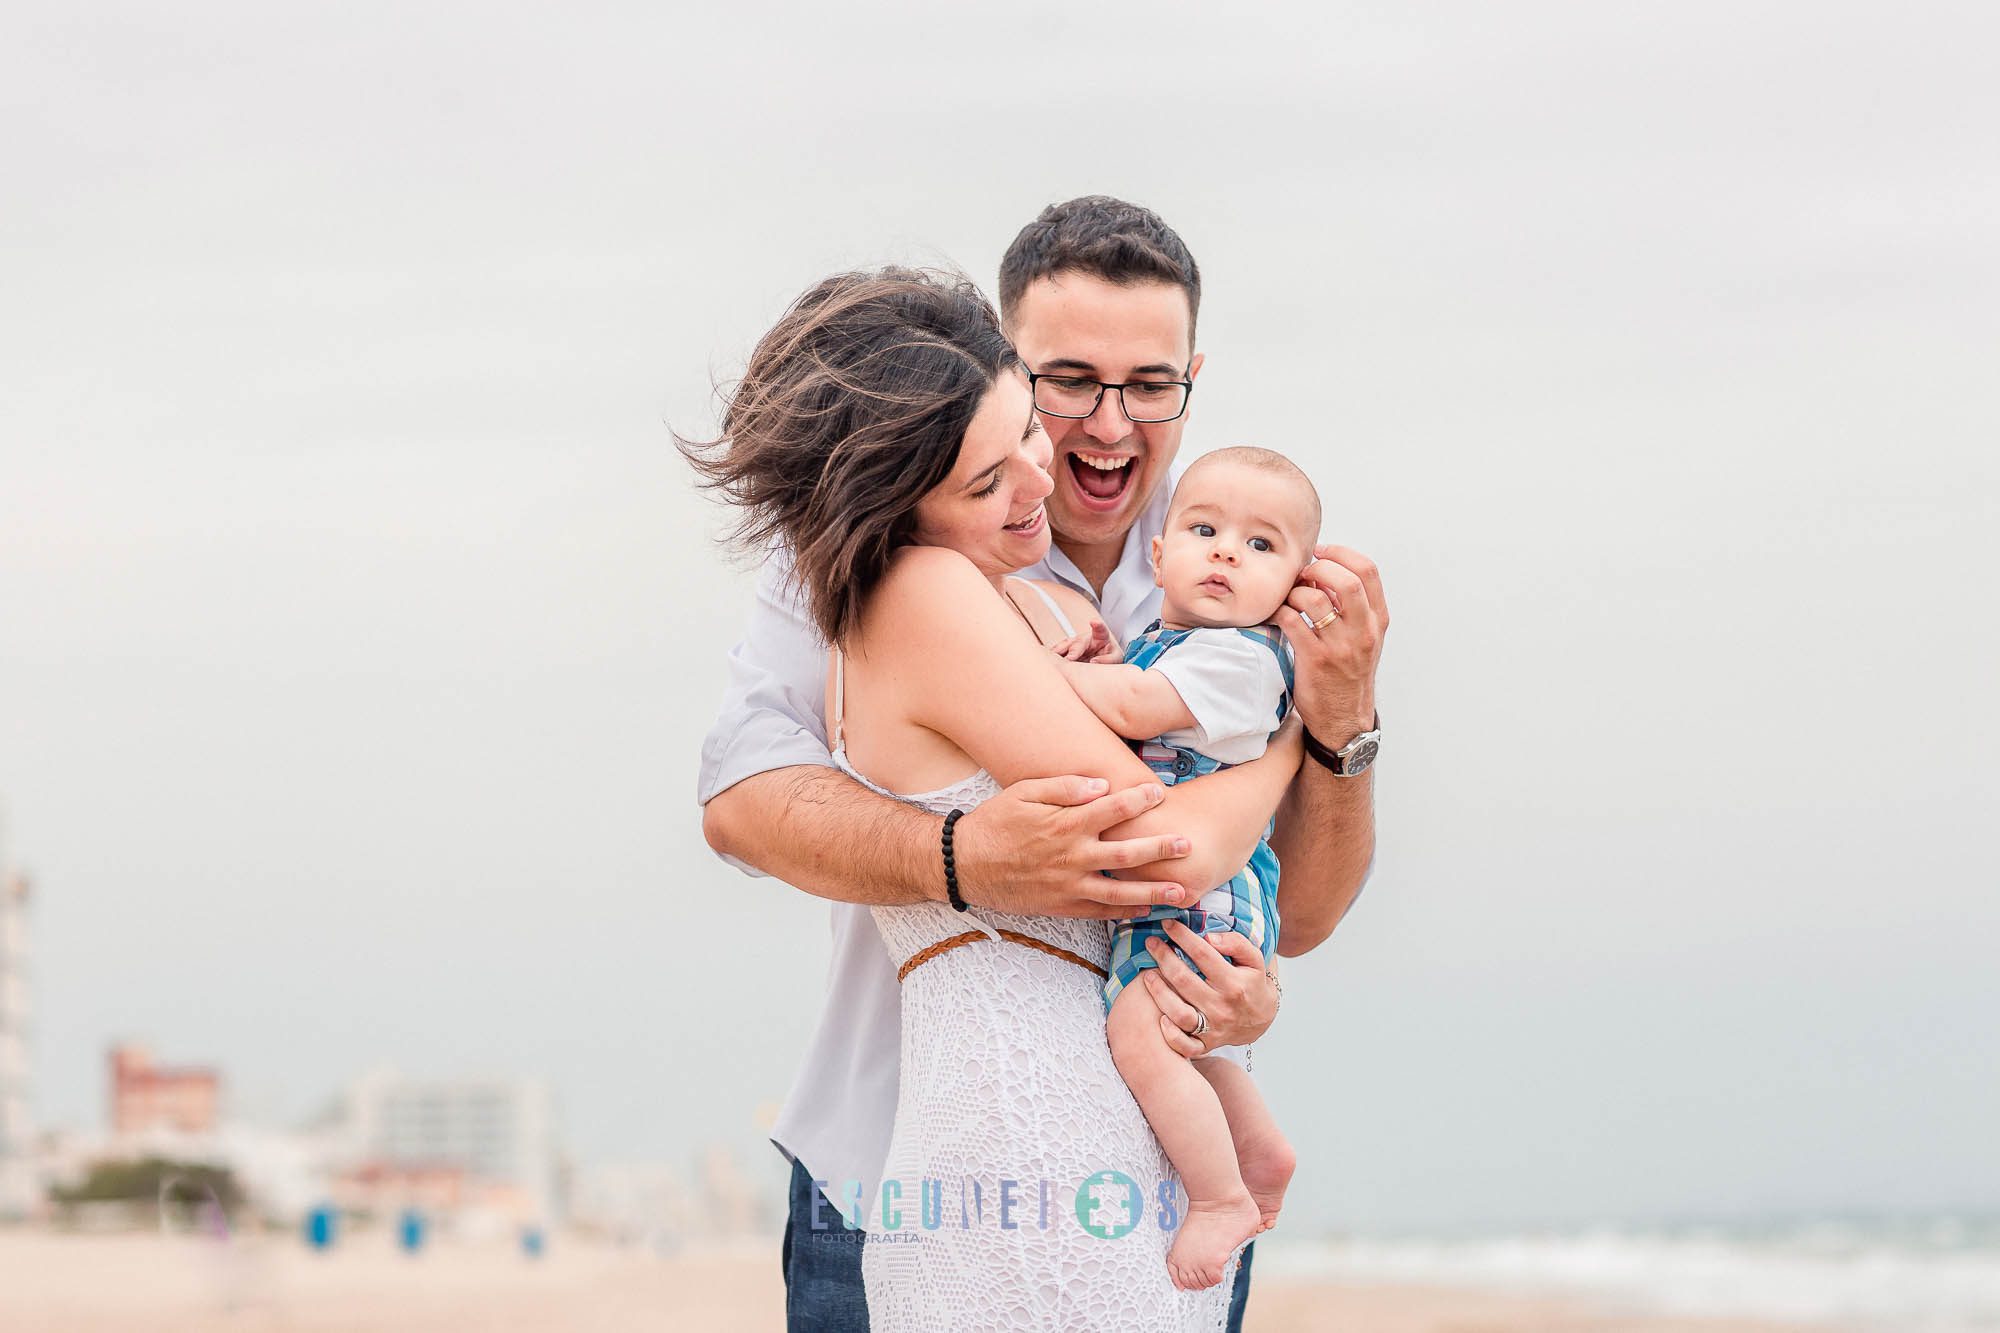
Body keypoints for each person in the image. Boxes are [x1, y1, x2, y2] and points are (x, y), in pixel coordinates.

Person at [696, 197, 1388, 1330]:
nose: (1104, 429)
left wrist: (1341, 728)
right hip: (893, 1146)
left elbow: (1295, 913)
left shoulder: (1236, 551)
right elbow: (738, 800)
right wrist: (958, 855)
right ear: (1006, 362)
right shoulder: (876, 541)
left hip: (1167, 1158)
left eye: (1150, 385)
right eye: (1065, 382)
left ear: (1191, 375)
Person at [1053, 446, 1322, 1291]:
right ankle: (1258, 1149)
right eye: (1205, 529)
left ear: (1295, 588)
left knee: (1140, 1032)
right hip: (1192, 895)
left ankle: (1216, 1197)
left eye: (1261, 545)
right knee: (1179, 1042)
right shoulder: (1171, 644)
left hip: (1206, 895)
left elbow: (1136, 710)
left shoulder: (1245, 659)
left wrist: (1043, 675)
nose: (1227, 553)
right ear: (1159, 553)